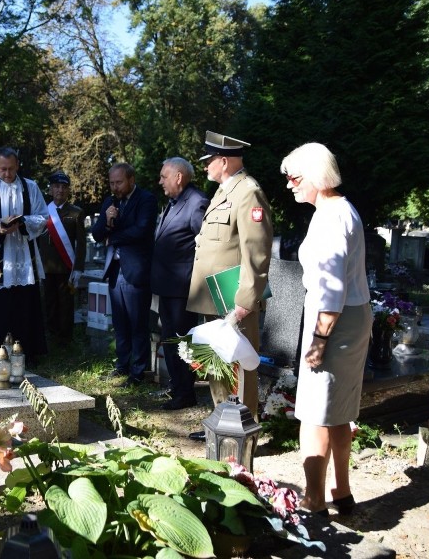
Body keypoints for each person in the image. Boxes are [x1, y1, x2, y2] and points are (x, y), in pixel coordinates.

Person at [281, 142, 372, 516]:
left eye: (294, 177)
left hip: (334, 321)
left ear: (317, 175)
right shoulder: (338, 210)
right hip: (346, 316)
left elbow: (331, 286)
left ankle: (314, 500)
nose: (289, 185)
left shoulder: (332, 215)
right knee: (338, 412)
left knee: (315, 413)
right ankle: (342, 493)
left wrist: (319, 339)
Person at [186, 131, 272, 432]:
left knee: (238, 366)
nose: (205, 166)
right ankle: (221, 424)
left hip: (232, 295)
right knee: (216, 364)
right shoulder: (225, 191)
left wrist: (245, 302)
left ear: (223, 161)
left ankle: (243, 430)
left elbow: (257, 251)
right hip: (213, 293)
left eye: (209, 160)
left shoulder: (247, 192)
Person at [0, 147, 49, 357]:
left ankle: (28, 353)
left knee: (24, 306)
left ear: (17, 166)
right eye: (3, 169)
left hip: (23, 254)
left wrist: (23, 222)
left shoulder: (30, 187)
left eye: (11, 169)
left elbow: (43, 216)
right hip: (0, 257)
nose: (7, 174)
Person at [92, 163, 157, 387]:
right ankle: (122, 366)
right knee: (120, 323)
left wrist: (115, 235)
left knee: (137, 323)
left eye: (119, 182)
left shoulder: (146, 199)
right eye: (111, 182)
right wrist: (108, 221)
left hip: (136, 270)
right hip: (115, 269)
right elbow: (97, 233)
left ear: (131, 179)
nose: (115, 187)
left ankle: (138, 372)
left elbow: (142, 229)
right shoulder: (110, 202)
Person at [151, 157, 209, 409]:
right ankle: (177, 387)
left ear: (178, 177)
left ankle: (186, 392)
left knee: (181, 341)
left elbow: (206, 245)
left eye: (164, 176)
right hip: (168, 286)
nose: (160, 181)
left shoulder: (196, 203)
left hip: (183, 288)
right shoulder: (174, 203)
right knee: (170, 339)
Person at [38, 171, 86, 342]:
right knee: (48, 302)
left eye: (64, 187)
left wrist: (78, 268)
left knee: (66, 304)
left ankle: (65, 339)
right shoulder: (42, 211)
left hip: (66, 266)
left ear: (68, 191)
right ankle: (50, 335)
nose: (60, 190)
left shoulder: (76, 212)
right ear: (50, 189)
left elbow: (81, 243)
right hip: (46, 266)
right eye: (56, 187)